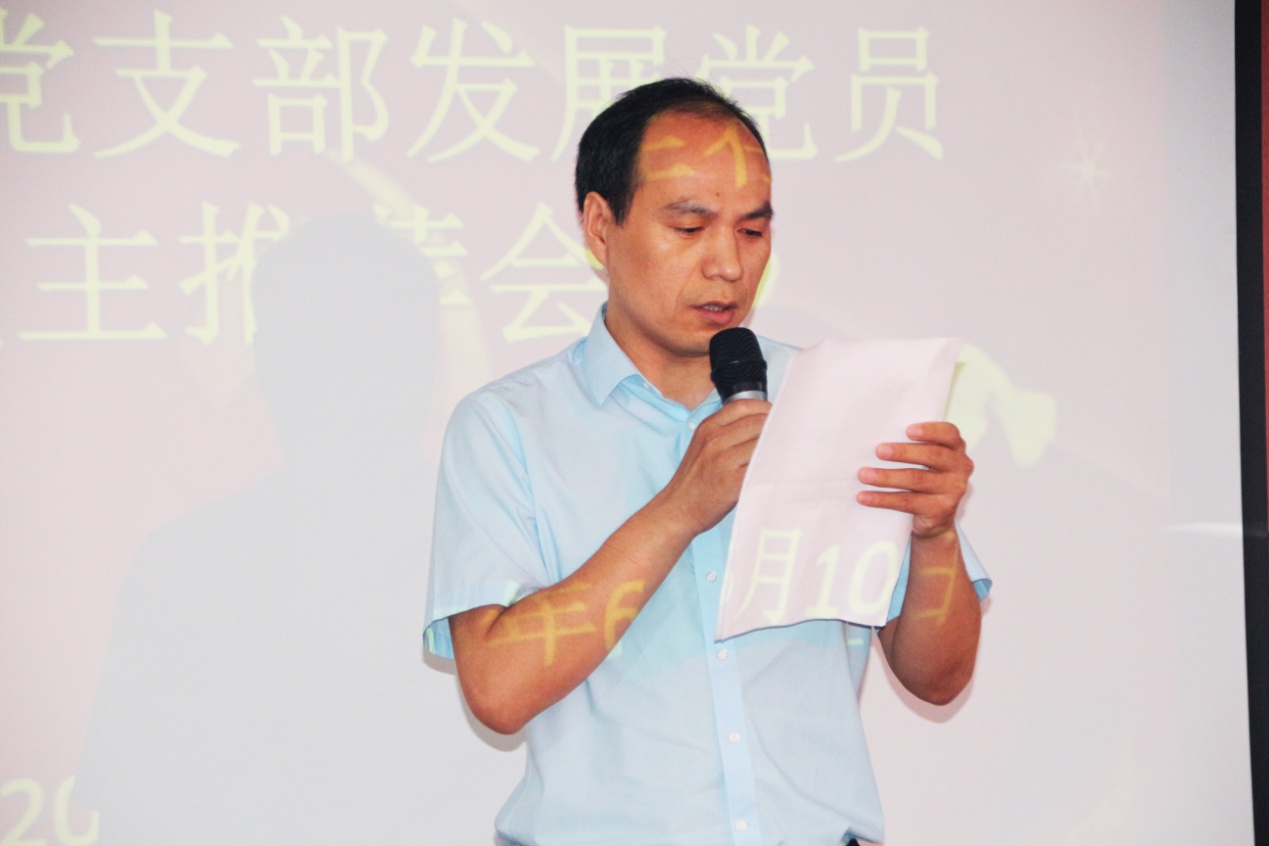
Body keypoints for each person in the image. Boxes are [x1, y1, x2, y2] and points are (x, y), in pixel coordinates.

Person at [424, 77, 990, 846]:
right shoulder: (507, 426)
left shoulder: (836, 400)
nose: (727, 264)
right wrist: (678, 509)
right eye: (688, 227)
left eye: (751, 231)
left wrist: (934, 536)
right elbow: (498, 690)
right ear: (600, 227)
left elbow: (938, 679)